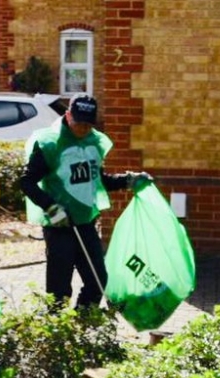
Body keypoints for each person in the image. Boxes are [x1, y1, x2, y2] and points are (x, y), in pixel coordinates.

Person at [20, 93, 152, 309]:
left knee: (97, 280)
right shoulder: (49, 144)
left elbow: (98, 180)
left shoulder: (94, 143)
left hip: (86, 224)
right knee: (59, 291)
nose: (82, 129)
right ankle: (59, 335)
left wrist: (128, 180)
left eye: (88, 125)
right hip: (59, 226)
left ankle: (83, 325)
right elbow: (27, 182)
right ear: (68, 114)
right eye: (78, 123)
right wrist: (51, 207)